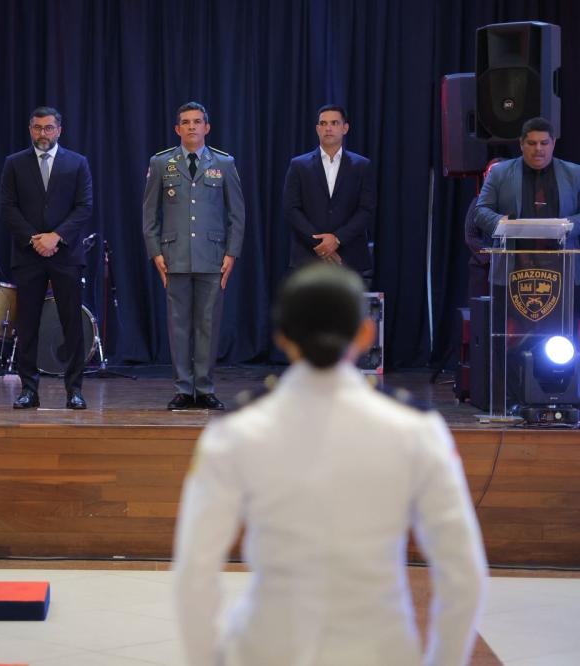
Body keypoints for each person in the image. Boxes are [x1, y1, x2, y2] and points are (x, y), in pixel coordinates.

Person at [172, 263, 487, 666]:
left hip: (264, 649)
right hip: (380, 651)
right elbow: (464, 575)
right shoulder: (416, 430)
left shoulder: (236, 432)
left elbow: (195, 573)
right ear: (365, 333)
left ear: (282, 337)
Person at [143, 101, 245, 411]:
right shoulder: (162, 163)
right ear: (177, 129)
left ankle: (205, 387)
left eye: (197, 121)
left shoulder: (223, 163)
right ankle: (183, 389)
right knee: (179, 326)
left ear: (207, 127)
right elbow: (150, 214)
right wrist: (155, 252)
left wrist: (232, 253)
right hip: (174, 256)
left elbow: (236, 213)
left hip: (212, 256)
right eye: (185, 122)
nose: (191, 127)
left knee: (208, 324)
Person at [0, 106, 93, 410]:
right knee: (27, 324)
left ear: (59, 130)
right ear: (30, 129)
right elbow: (8, 207)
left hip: (65, 254)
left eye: (49, 128)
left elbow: (84, 206)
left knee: (71, 324)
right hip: (28, 255)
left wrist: (56, 237)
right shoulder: (14, 163)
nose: (43, 133)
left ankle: (74, 389)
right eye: (38, 127)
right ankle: (28, 389)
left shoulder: (77, 163)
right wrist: (34, 239)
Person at [474, 116, 580, 280]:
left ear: (553, 143)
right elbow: (480, 212)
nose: (538, 148)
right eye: (532, 143)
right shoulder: (499, 173)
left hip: (563, 269)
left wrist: (566, 226)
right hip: (511, 269)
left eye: (544, 143)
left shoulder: (575, 174)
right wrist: (502, 222)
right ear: (521, 144)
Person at [283, 104, 376, 280]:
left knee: (345, 309)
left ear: (345, 128)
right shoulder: (298, 165)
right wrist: (321, 244)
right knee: (309, 308)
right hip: (308, 255)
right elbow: (291, 209)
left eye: (334, 123)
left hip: (349, 256)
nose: (328, 128)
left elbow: (366, 209)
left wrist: (337, 239)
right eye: (323, 123)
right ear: (318, 129)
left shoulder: (362, 166)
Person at [463, 158, 504, 299]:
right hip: (482, 268)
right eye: (490, 174)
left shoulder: (515, 205)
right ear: (485, 176)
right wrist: (492, 256)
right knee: (482, 312)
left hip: (509, 267)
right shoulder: (477, 203)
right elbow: (470, 237)